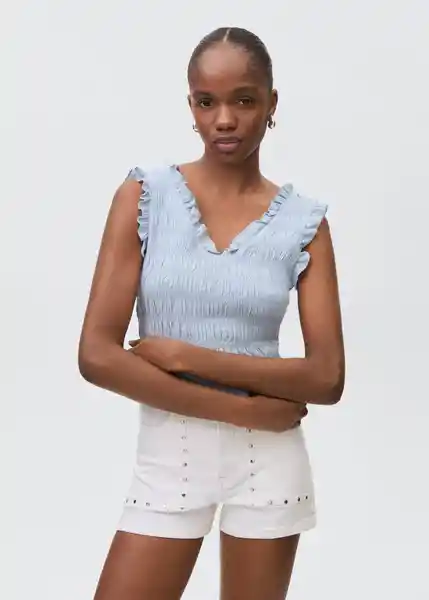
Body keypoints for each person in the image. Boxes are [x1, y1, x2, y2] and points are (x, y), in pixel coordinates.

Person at [78, 26, 345, 600]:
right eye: (207, 102)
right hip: (171, 457)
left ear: (271, 104)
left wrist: (185, 357)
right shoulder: (145, 195)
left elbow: (326, 378)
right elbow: (96, 356)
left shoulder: (305, 222)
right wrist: (241, 409)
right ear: (192, 106)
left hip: (269, 462)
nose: (224, 119)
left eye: (244, 100)